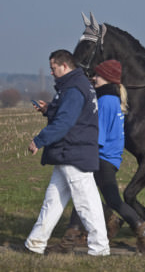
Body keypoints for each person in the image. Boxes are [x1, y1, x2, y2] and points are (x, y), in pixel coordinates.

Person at [49, 60, 145, 254]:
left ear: (108, 78)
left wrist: (79, 150)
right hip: (110, 158)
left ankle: (142, 234)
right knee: (89, 195)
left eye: (98, 76)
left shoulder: (104, 101)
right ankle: (114, 226)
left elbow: (96, 135)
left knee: (100, 197)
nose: (93, 78)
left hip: (101, 157)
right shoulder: (113, 99)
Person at [24, 50, 110, 256]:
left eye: (53, 68)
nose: (51, 73)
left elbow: (65, 122)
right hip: (71, 151)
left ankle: (100, 248)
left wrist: (39, 140)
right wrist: (49, 110)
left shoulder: (73, 89)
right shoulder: (77, 85)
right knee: (53, 201)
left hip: (73, 151)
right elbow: (70, 114)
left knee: (86, 202)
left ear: (64, 66)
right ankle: (35, 244)